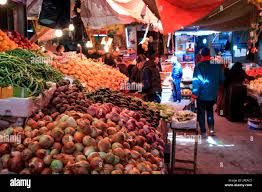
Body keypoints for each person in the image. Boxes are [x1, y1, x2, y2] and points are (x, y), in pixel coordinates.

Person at [191, 47, 224, 138]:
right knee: (210, 112)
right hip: (212, 94)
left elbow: (196, 81)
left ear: (201, 55)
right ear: (210, 54)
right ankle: (212, 130)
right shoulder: (216, 65)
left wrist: (194, 95)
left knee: (201, 113)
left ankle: (203, 132)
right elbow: (222, 80)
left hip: (201, 95)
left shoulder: (199, 66)